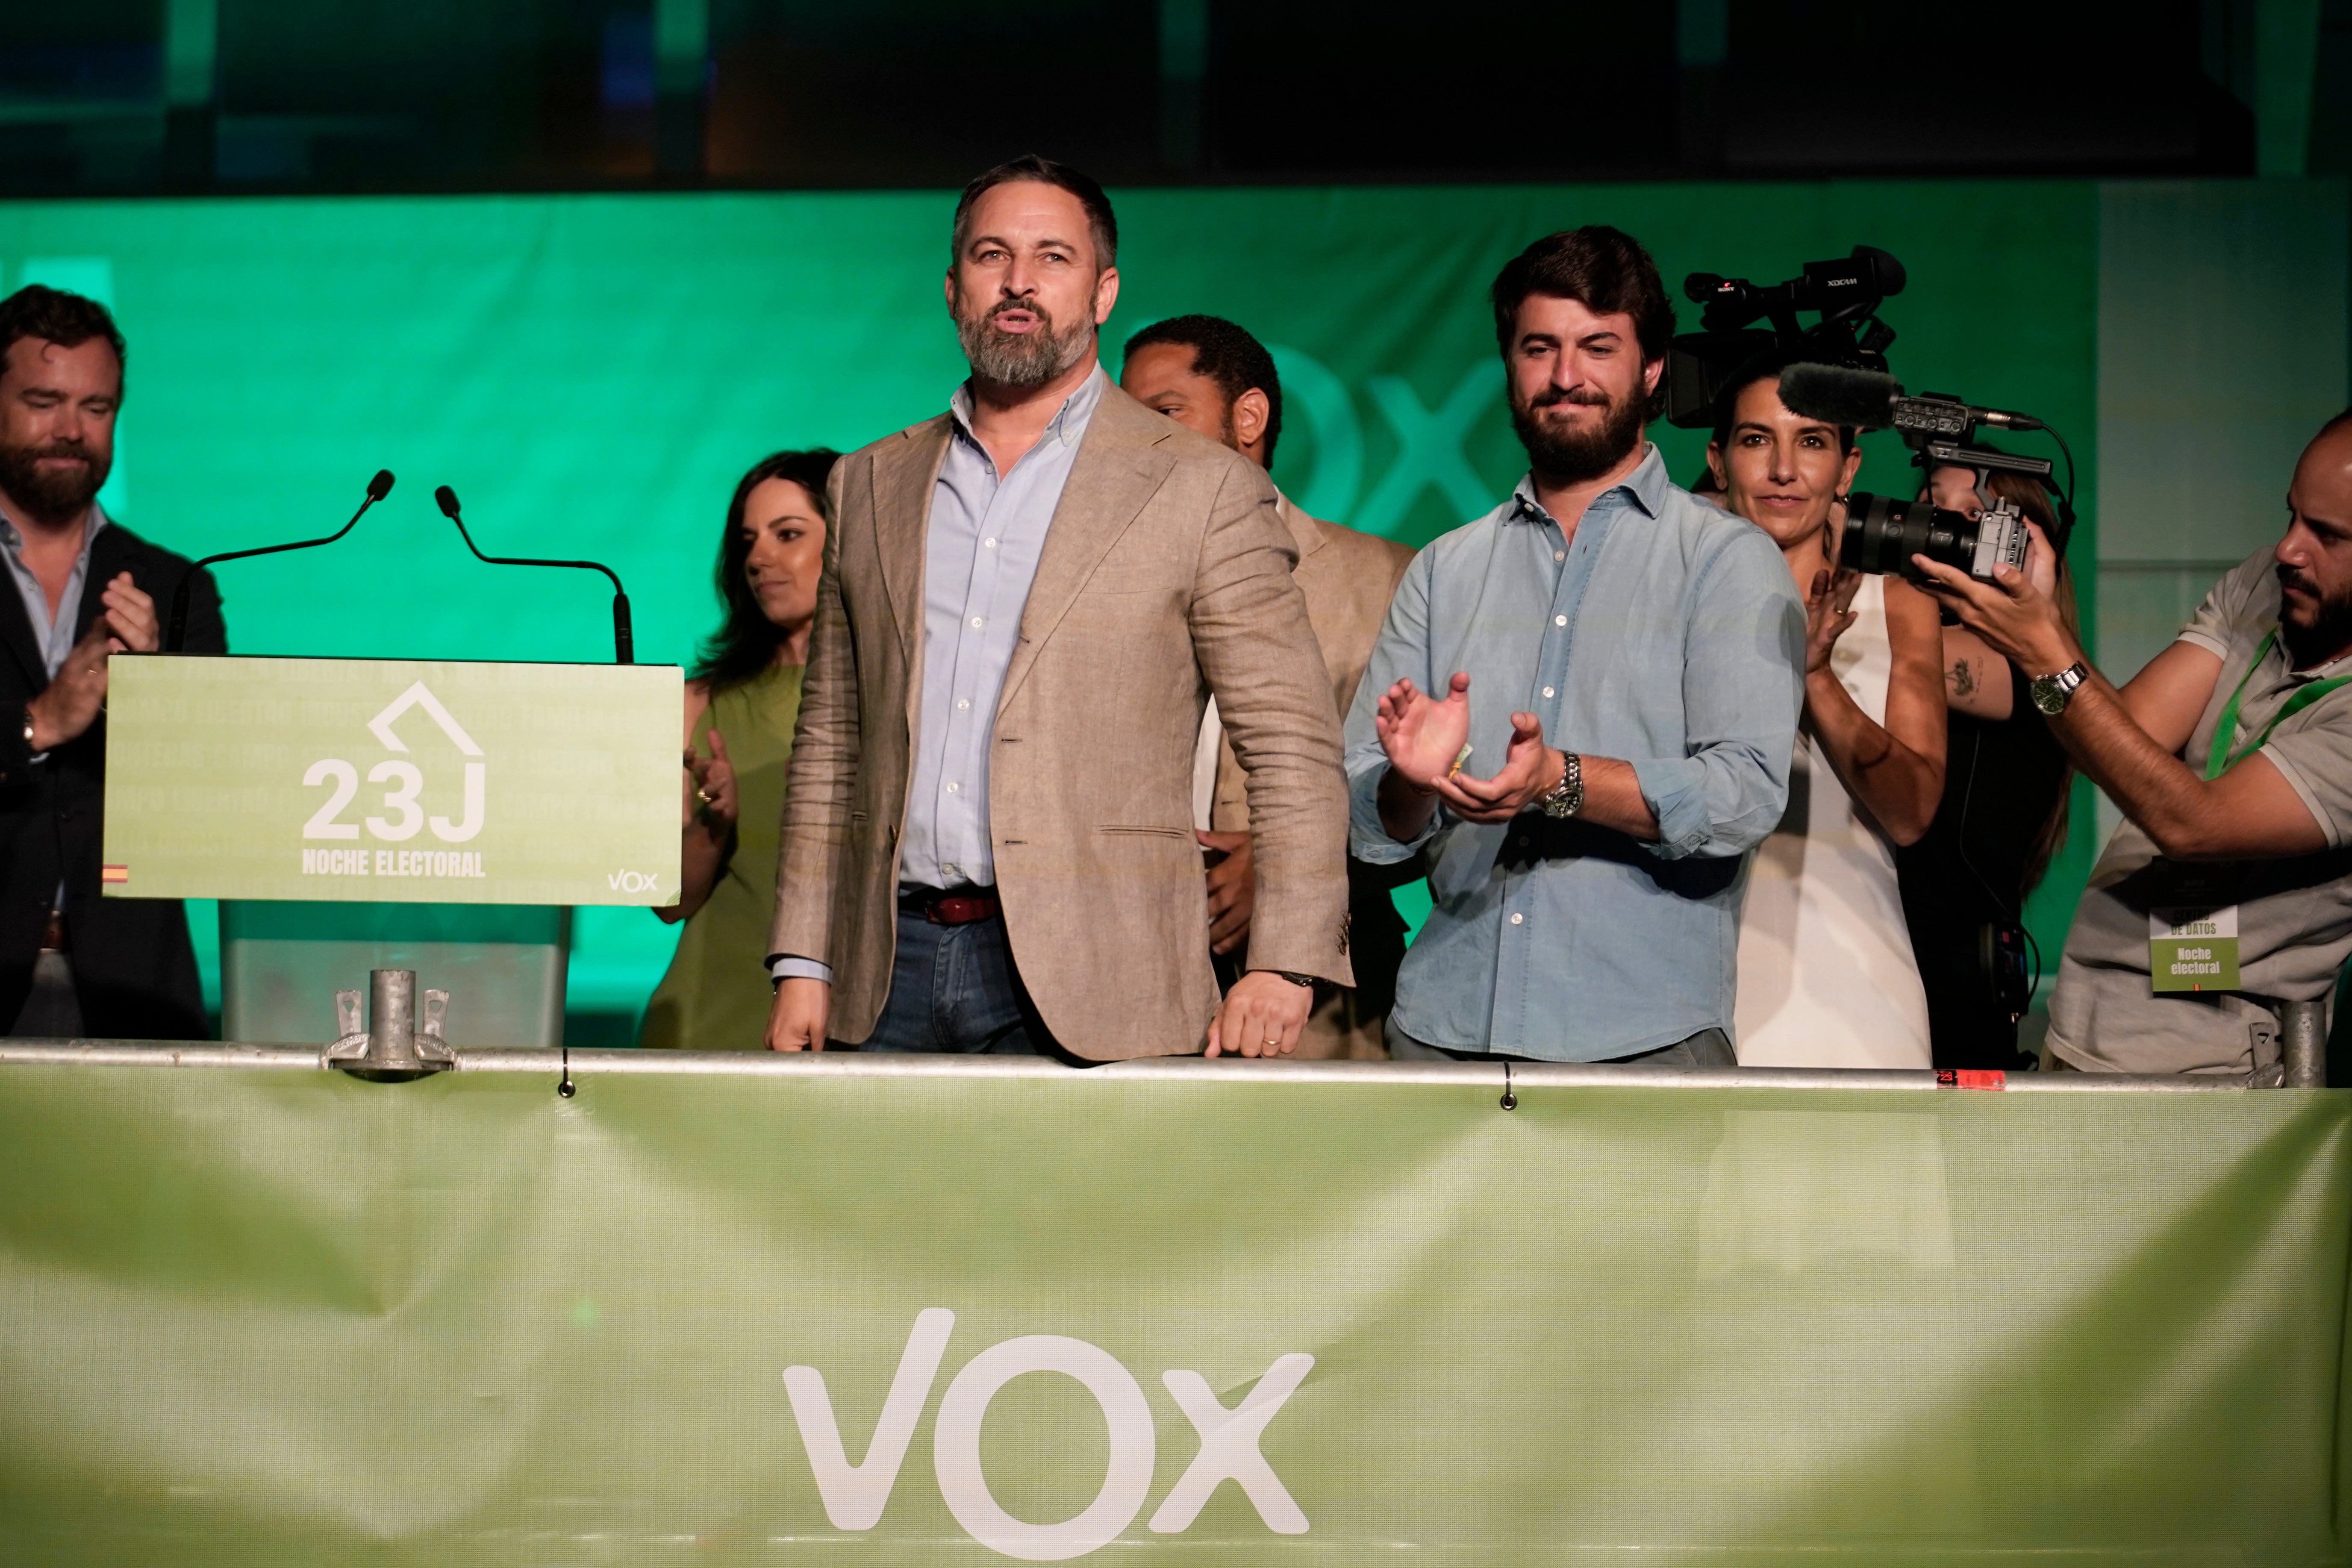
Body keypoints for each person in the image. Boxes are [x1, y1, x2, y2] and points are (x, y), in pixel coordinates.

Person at [765, 156, 1350, 1062]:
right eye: (992, 255)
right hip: (886, 963)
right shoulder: (871, 480)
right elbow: (833, 741)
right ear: (954, 287)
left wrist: (1287, 957)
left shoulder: (1202, 486)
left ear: (1104, 290)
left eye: (1053, 258)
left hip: (1107, 972)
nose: (1019, 282)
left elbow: (1291, 743)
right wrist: (803, 955)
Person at [1346, 227, 1804, 1063]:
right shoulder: (1446, 567)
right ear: (1510, 366)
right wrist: (1413, 788)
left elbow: (1743, 794)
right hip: (1440, 1034)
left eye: (1598, 347)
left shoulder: (1727, 559)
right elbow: (1368, 825)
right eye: (1539, 348)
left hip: (1642, 1041)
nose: (1566, 376)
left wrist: (1557, 779)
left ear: (1654, 368)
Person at [1918, 410, 2352, 1076]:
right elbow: (2119, 735)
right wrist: (2041, 643)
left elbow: (2193, 825)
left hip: (2212, 1064)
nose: (2289, 548)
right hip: (2087, 1022)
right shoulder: (2263, 582)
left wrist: (2043, 647)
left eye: (2325, 533)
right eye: (2291, 515)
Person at [1118, 313, 1415, 1059]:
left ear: (1248, 417)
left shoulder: (1388, 579)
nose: (1132, 446)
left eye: (1163, 415)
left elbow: (1435, 810)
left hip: (1327, 1008)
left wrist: (1296, 865)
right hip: (1127, 994)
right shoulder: (1095, 587)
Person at [1704, 354, 1945, 1068]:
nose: (1784, 469)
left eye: (1811, 442)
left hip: (1860, 999)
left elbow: (1910, 811)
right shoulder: (1674, 610)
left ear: (1847, 468)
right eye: (1756, 440)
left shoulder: (1898, 605)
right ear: (1718, 462)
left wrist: (1815, 676)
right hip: (1699, 999)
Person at [0, 285, 224, 1040]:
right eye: (44, 401)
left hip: (134, 995)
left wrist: (160, 695)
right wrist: (38, 723)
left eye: (96, 409)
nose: (71, 430)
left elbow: (218, 798)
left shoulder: (178, 586)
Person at [639, 450, 839, 1050]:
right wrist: (712, 823)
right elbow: (669, 903)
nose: (760, 558)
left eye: (789, 535)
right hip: (711, 1021)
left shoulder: (904, 695)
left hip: (863, 1023)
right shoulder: (698, 704)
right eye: (749, 540)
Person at [1895, 454, 2078, 1070]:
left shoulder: (2037, 674)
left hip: (1958, 1007)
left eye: (1973, 515)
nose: (1942, 525)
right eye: (1930, 502)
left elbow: (1922, 654)